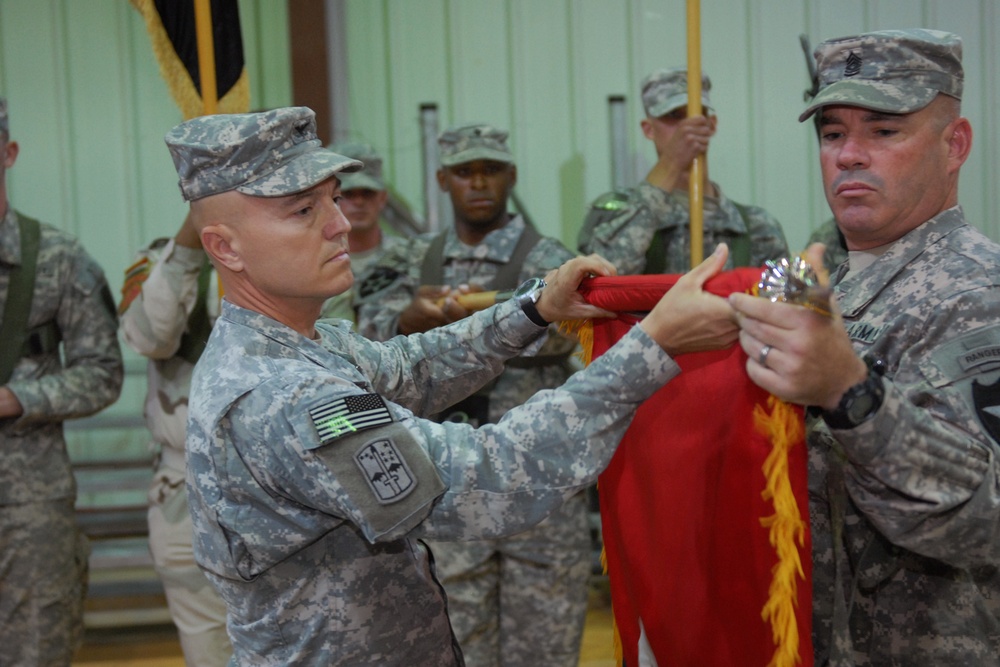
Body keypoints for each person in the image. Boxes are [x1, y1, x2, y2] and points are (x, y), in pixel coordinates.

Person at [163, 106, 739, 666]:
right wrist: (651, 350)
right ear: (225, 247)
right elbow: (489, 477)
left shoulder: (304, 342)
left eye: (333, 200)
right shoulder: (281, 395)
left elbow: (410, 367)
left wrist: (533, 311)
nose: (339, 223)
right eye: (301, 211)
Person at [728, 29, 1000, 665]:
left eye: (884, 131)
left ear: (954, 144)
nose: (849, 154)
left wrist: (851, 396)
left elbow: (990, 519)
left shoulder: (983, 290)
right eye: (832, 133)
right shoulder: (806, 277)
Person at [356, 123, 589, 667]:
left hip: (540, 484)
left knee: (547, 648)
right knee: (459, 646)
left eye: (490, 170)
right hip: (450, 484)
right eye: (464, 172)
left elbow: (577, 326)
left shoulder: (552, 259)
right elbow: (362, 330)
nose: (478, 183)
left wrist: (491, 321)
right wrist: (409, 317)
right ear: (443, 179)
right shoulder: (410, 260)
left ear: (511, 176)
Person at [0, 96, 124, 665]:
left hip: (27, 502)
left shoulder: (57, 258)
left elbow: (102, 375)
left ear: (9, 153)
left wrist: (17, 398)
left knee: (36, 648)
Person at [118, 213, 233, 665]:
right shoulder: (163, 259)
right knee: (207, 645)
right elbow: (147, 338)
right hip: (184, 482)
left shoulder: (293, 251)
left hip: (279, 474)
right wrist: (193, 236)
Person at [578, 67, 788, 274]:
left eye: (697, 115)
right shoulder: (615, 214)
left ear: (711, 125)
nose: (688, 127)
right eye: (674, 116)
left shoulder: (758, 228)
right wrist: (671, 163)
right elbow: (600, 278)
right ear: (648, 129)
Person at [320, 141, 405, 325]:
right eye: (349, 194)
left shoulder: (410, 258)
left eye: (367, 193)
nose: (359, 202)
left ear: (382, 198)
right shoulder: (309, 263)